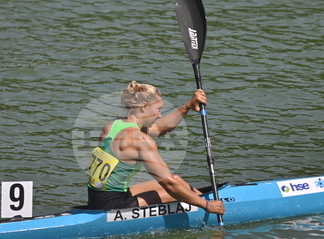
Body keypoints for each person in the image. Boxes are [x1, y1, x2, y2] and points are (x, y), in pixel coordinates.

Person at [86, 81, 227, 215]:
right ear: (144, 106)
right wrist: (205, 205)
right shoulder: (140, 140)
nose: (159, 114)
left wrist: (188, 106)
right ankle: (212, 206)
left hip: (97, 199)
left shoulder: (112, 126)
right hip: (113, 208)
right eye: (158, 109)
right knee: (173, 184)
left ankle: (206, 200)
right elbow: (169, 184)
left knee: (175, 180)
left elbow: (159, 128)